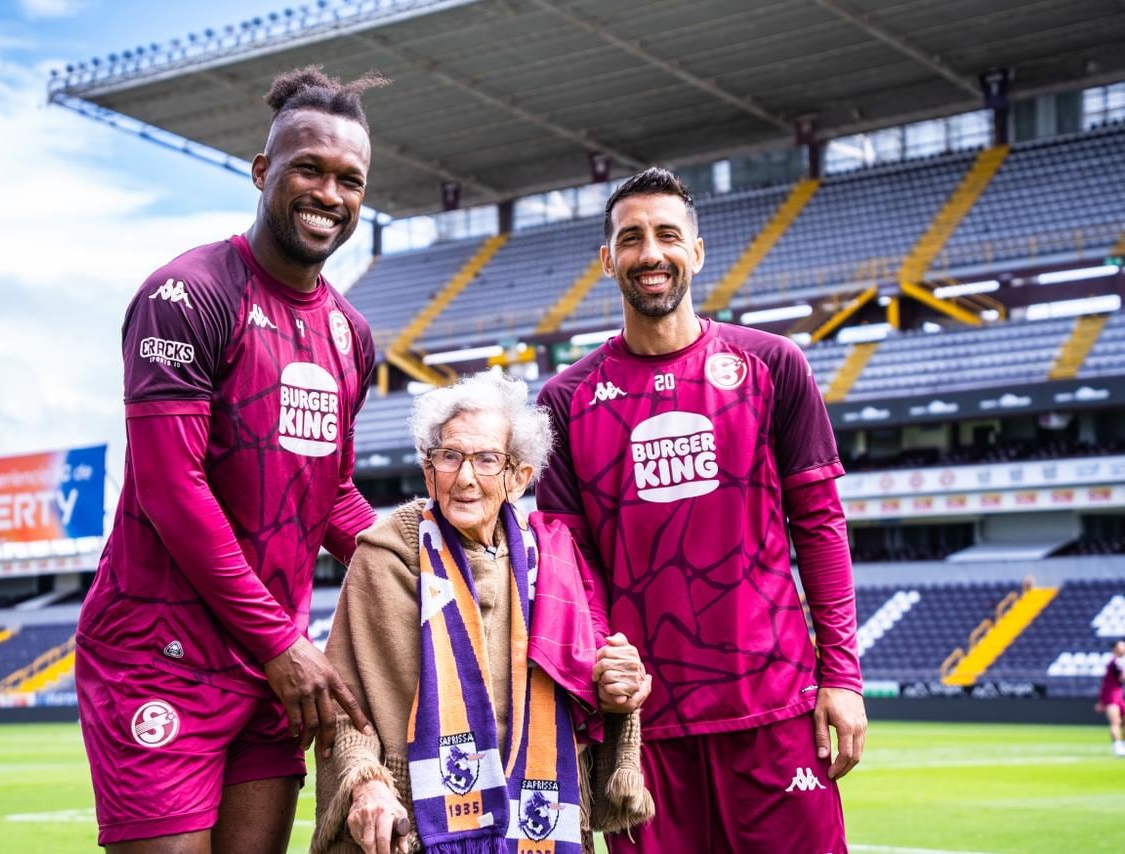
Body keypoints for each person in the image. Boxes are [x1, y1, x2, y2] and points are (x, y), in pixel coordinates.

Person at [75, 66, 387, 852]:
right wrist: (282, 642)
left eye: (349, 179)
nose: (328, 192)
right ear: (262, 172)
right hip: (162, 656)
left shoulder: (352, 333)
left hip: (273, 670)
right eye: (307, 168)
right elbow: (170, 489)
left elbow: (334, 494)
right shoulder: (188, 295)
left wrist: (433, 565)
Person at [536, 168, 867, 853]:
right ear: (608, 260)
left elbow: (821, 529)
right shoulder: (566, 401)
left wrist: (842, 676)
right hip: (640, 727)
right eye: (631, 238)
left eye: (666, 235)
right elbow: (570, 562)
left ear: (697, 250)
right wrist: (606, 672)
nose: (650, 253)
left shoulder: (772, 365)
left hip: (774, 710)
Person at [311, 371, 655, 854]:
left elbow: (589, 697)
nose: (466, 477)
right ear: (429, 471)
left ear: (519, 478)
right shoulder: (385, 558)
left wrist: (620, 692)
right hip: (415, 827)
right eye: (449, 456)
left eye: (487, 460)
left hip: (538, 820)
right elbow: (344, 708)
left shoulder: (555, 563)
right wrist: (366, 783)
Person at [1094, 639, 1125, 757]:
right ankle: (1117, 747)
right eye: (1122, 646)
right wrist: (1102, 701)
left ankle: (1122, 744)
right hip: (1112, 696)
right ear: (1115, 649)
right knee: (1115, 721)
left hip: (1120, 696)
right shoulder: (1116, 662)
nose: (1124, 648)